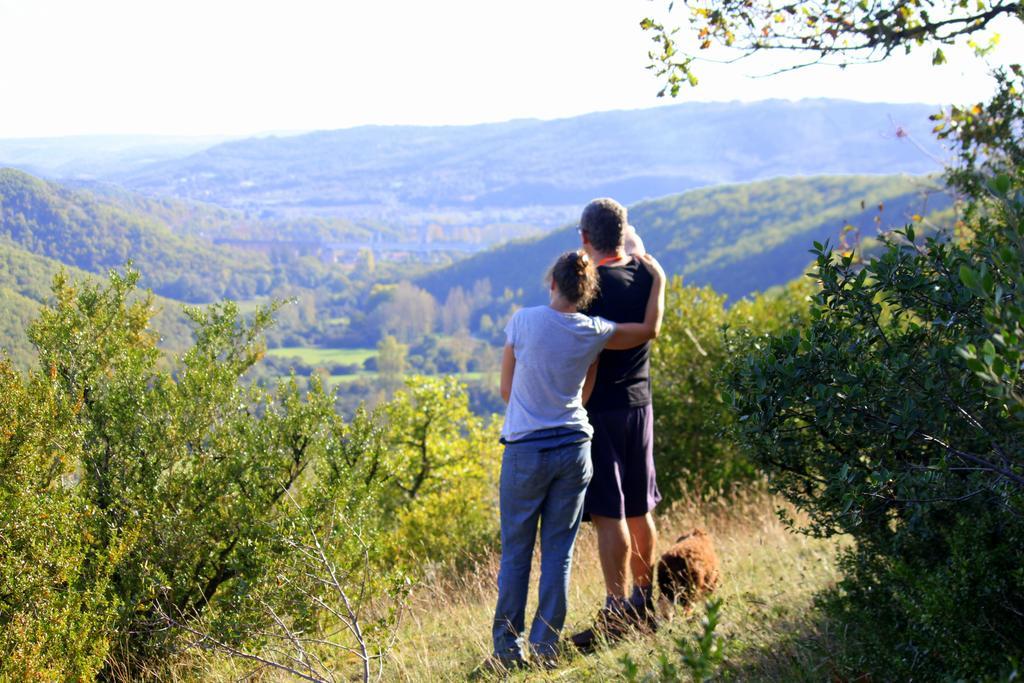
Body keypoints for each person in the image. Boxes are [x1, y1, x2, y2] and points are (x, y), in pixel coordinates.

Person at [485, 249, 665, 672]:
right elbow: (644, 331)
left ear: (552, 283)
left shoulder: (523, 321)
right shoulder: (594, 330)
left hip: (526, 448)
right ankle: (546, 647)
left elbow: (506, 390)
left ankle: (509, 653)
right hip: (574, 447)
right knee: (558, 552)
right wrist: (657, 281)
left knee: (516, 553)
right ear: (586, 292)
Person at [571, 198, 663, 651]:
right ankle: (645, 601)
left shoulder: (590, 287)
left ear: (586, 238)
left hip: (601, 407)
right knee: (640, 508)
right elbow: (651, 328)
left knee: (610, 512)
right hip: (640, 405)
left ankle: (616, 610)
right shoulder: (648, 274)